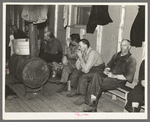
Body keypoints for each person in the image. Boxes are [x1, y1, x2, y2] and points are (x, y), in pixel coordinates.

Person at [83, 39, 137, 112]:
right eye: (121, 45)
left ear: (129, 47)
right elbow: (109, 65)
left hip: (119, 80)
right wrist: (106, 70)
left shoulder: (131, 60)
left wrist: (114, 76)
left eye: (124, 45)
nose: (122, 47)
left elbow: (128, 77)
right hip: (108, 77)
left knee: (95, 82)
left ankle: (92, 105)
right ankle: (92, 105)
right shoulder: (116, 55)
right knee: (96, 75)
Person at [66, 39, 105, 105]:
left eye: (80, 46)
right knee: (75, 72)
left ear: (85, 46)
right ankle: (75, 90)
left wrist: (81, 58)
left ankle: (83, 96)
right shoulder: (84, 51)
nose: (78, 48)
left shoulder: (92, 53)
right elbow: (78, 67)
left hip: (98, 70)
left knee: (83, 76)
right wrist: (79, 57)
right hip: (90, 68)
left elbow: (86, 70)